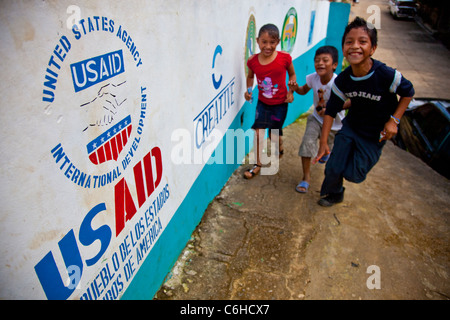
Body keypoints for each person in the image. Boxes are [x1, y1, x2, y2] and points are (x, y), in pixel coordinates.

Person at [314, 17, 414, 206]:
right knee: (333, 167)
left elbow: (408, 92)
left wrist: (394, 120)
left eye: (362, 41)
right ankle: (334, 193)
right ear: (343, 47)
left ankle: (348, 160)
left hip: (374, 134)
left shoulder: (386, 75)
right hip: (351, 127)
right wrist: (323, 142)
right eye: (349, 42)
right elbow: (330, 111)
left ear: (373, 48)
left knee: (354, 175)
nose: (354, 46)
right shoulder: (342, 81)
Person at [288, 46, 348, 193]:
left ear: (334, 65)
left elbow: (351, 101)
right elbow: (303, 91)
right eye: (317, 60)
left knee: (329, 150)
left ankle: (326, 153)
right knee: (307, 144)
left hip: (335, 125)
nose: (320, 63)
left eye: (325, 60)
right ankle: (306, 178)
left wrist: (333, 108)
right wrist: (295, 88)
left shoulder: (339, 83)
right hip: (316, 119)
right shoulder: (313, 78)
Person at [244, 23, 296, 179]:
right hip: (262, 103)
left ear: (278, 41)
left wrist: (291, 91)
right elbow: (250, 76)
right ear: (258, 40)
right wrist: (248, 90)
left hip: (280, 104)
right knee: (259, 133)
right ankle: (257, 164)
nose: (268, 46)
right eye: (264, 42)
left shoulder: (284, 58)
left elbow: (292, 75)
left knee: (274, 135)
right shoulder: (252, 61)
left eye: (272, 42)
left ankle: (279, 142)